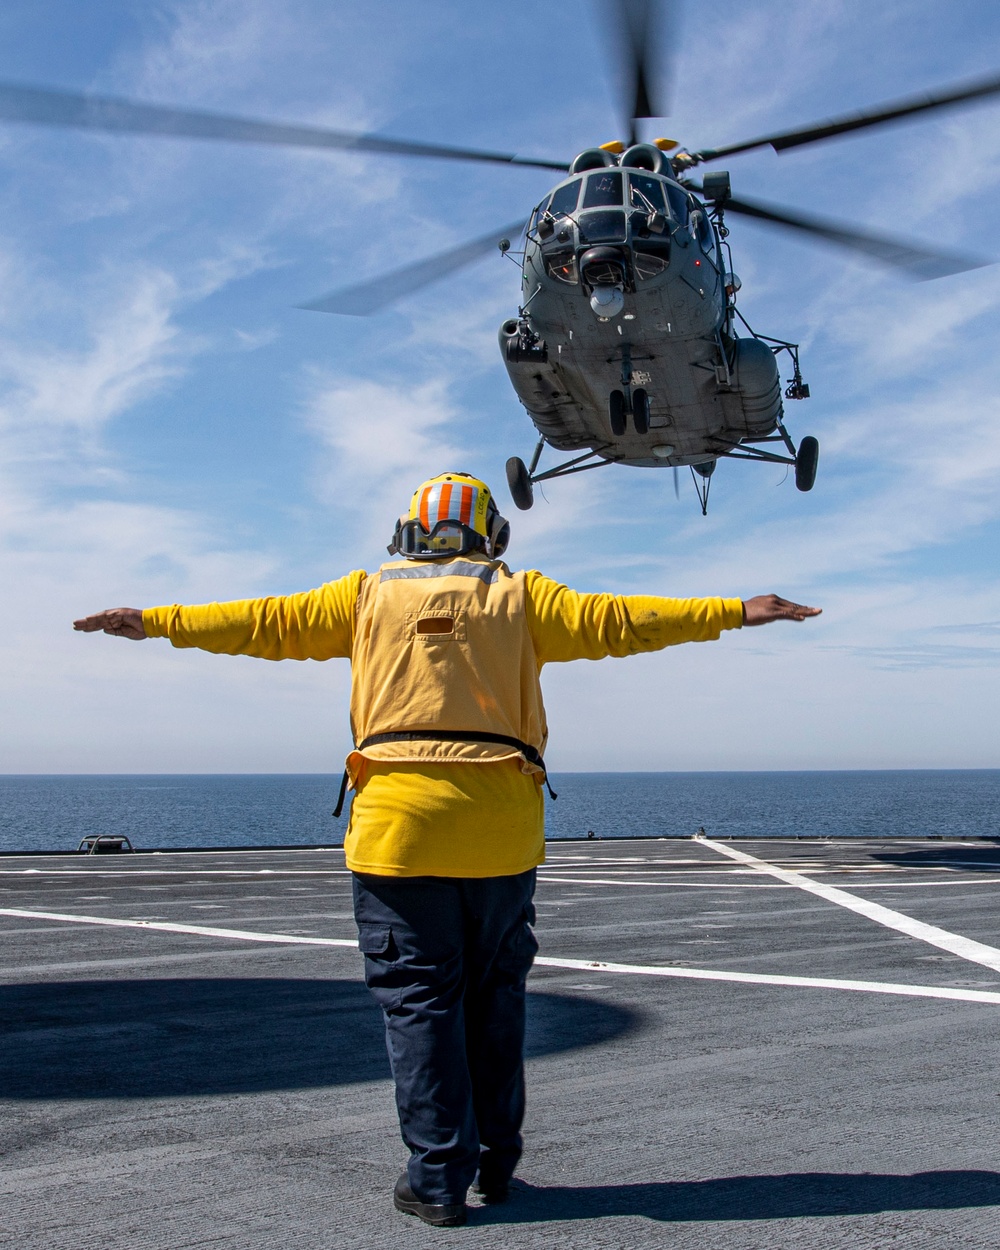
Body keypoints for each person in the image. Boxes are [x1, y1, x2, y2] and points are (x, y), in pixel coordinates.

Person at [74, 470, 821, 1228]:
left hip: (399, 838)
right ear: (491, 536)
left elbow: (259, 622)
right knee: (495, 1001)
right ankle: (497, 1167)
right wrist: (734, 610)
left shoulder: (364, 597)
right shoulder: (523, 597)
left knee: (421, 1005)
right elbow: (624, 619)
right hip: (500, 837)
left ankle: (436, 1179)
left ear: (406, 534)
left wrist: (156, 620)